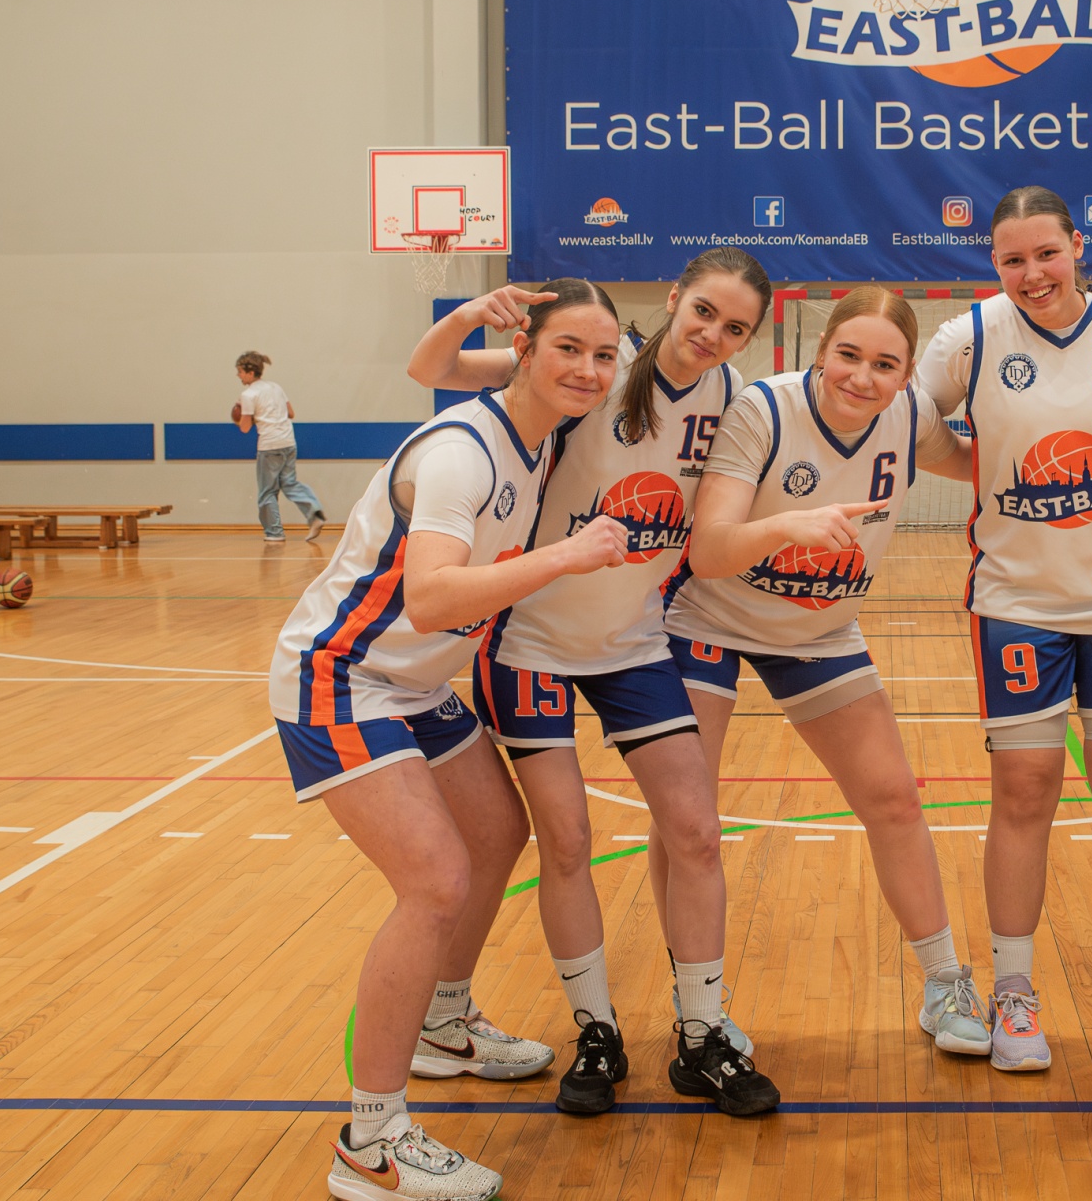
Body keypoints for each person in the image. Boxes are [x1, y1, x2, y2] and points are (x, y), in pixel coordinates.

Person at [269, 279, 633, 1201]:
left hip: (417, 683)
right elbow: (431, 597)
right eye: (569, 350)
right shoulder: (461, 455)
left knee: (498, 832)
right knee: (435, 881)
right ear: (526, 353)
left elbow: (429, 364)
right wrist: (569, 554)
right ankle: (371, 1143)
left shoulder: (538, 430)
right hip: (343, 677)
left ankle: (443, 1023)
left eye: (603, 355)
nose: (589, 370)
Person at [404, 249, 779, 1118]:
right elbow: (432, 371)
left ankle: (702, 1034)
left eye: (736, 328)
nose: (713, 335)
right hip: (531, 642)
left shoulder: (733, 401)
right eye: (703, 313)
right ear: (674, 299)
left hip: (634, 643)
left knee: (696, 832)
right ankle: (596, 1032)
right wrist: (469, 314)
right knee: (567, 842)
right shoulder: (596, 368)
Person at [664, 286, 992, 1059]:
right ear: (820, 349)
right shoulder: (763, 411)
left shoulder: (908, 416)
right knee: (689, 823)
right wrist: (786, 525)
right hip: (709, 620)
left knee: (893, 799)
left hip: (818, 628)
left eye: (885, 364)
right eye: (849, 355)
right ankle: (697, 1006)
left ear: (907, 374)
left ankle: (945, 982)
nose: (862, 377)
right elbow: (707, 550)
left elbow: (976, 463)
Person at [913, 188, 1092, 1074]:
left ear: (1077, 247)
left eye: (1046, 254)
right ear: (993, 264)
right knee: (1024, 793)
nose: (1032, 274)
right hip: (1018, 604)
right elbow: (909, 423)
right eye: (1012, 260)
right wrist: (972, 462)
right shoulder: (970, 338)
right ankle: (1015, 992)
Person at [234, 351, 326, 543]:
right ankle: (314, 512)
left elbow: (244, 428)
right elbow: (291, 413)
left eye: (240, 371)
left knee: (267, 491)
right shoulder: (276, 387)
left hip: (269, 445)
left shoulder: (248, 395)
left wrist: (241, 414)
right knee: (289, 483)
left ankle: (274, 533)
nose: (238, 375)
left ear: (250, 373)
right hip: (288, 442)